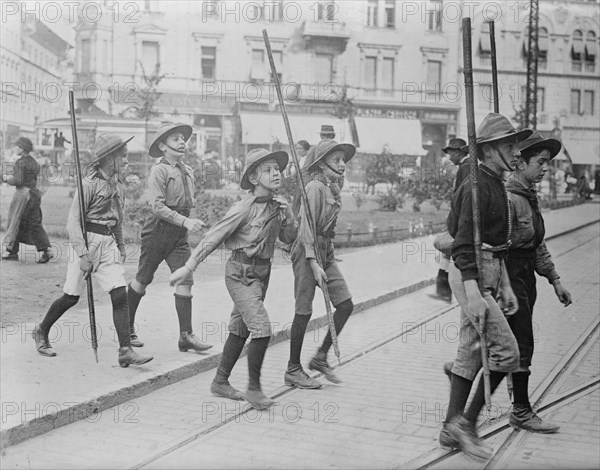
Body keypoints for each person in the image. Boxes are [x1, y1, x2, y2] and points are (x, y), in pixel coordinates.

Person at [170, 148, 297, 410]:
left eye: (278, 169)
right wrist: (189, 267)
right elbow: (212, 237)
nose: (276, 173)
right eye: (268, 170)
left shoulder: (278, 205)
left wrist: (289, 218)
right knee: (261, 329)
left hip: (262, 274)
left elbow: (289, 239)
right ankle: (254, 388)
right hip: (240, 273)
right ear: (253, 178)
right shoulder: (243, 208)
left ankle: (220, 381)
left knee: (239, 330)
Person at [439, 113, 532, 460]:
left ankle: (450, 428)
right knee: (507, 353)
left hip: (487, 270)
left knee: (469, 352)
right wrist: (475, 292)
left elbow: (498, 243)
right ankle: (467, 425)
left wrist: (504, 284)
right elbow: (463, 244)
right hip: (470, 273)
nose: (517, 153)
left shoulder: (495, 183)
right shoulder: (477, 187)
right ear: (490, 151)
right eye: (509, 146)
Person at [31, 134, 153, 367]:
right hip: (86, 242)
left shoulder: (118, 185)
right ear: (109, 158)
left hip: (107, 244)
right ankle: (41, 330)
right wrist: (84, 255)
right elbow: (73, 223)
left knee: (119, 294)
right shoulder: (87, 185)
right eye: (123, 156)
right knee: (71, 297)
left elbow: (117, 218)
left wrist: (119, 245)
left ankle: (125, 350)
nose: (126, 161)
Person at [506, 131, 573, 433]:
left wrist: (555, 280)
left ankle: (466, 377)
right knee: (520, 343)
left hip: (524, 278)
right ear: (520, 162)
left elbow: (537, 245)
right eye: (541, 162)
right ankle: (520, 410)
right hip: (508, 277)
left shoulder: (528, 196)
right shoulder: (509, 199)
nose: (546, 168)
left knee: (510, 343)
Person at [126, 123, 212, 352]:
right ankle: (126, 328)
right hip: (158, 232)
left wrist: (191, 222)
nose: (182, 142)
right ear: (163, 146)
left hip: (178, 235)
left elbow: (188, 204)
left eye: (183, 138)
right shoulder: (159, 171)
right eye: (175, 139)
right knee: (143, 280)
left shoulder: (188, 170)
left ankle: (186, 336)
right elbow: (157, 207)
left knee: (186, 280)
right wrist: (185, 221)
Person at [284, 139, 356, 389]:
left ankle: (320, 357)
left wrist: (328, 253)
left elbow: (328, 228)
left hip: (324, 252)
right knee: (304, 311)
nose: (342, 164)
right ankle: (293, 369)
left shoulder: (332, 186)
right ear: (321, 164)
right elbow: (306, 227)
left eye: (343, 160)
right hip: (306, 251)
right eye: (336, 160)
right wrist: (313, 261)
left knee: (346, 305)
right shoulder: (314, 188)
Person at [2, 137, 53, 263]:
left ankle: (15, 251)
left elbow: (18, 181)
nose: (16, 149)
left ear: (23, 149)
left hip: (24, 196)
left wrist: (5, 179)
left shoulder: (20, 162)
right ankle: (14, 251)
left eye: (18, 147)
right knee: (30, 222)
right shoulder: (33, 162)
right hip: (34, 194)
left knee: (17, 220)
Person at [433, 138, 469, 301]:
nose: (449, 157)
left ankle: (447, 290)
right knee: (448, 252)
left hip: (461, 217)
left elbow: (462, 195)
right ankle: (443, 290)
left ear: (458, 152)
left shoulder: (465, 167)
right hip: (458, 216)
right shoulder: (465, 166)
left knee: (450, 249)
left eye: (451, 153)